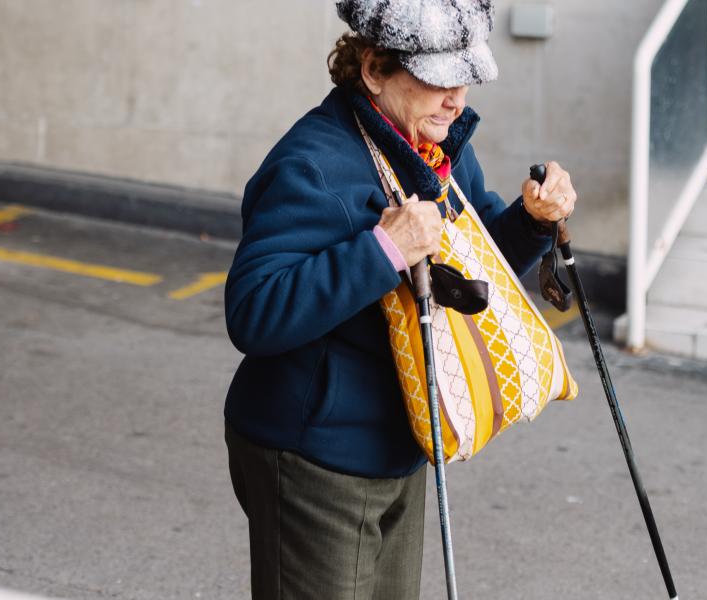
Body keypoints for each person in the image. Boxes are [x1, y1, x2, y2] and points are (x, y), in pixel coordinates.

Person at [223, 1, 577, 598]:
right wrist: (384, 249)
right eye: (438, 79)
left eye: (464, 77)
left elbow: (476, 264)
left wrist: (533, 221)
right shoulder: (312, 165)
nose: (456, 99)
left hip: (404, 444)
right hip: (314, 457)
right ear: (374, 70)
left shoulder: (436, 148)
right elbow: (253, 313)